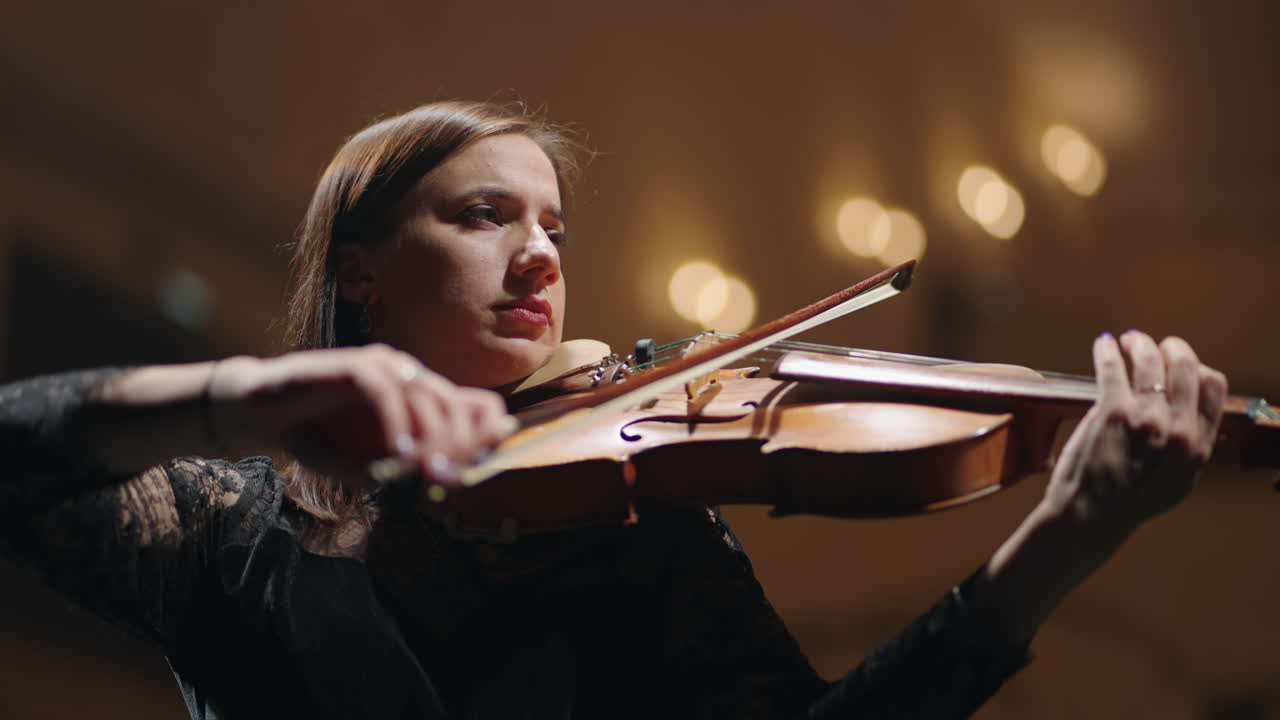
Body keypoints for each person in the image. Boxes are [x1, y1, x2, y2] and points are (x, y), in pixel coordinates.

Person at [0, 100, 1228, 720]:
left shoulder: (638, 522)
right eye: (484, 216)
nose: (540, 256)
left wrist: (1062, 539)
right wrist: (243, 395)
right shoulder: (229, 530)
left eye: (554, 228)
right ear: (359, 268)